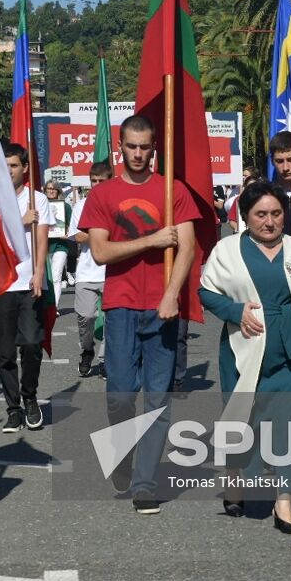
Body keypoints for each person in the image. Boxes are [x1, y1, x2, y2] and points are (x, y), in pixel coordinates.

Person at [199, 181, 291, 534]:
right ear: (246, 216)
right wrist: (234, 310)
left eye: (276, 213)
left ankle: (284, 502)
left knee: (289, 427)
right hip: (243, 350)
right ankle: (235, 481)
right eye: (261, 214)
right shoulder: (227, 250)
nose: (269, 221)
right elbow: (206, 292)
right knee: (243, 423)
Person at [79, 114, 201, 515]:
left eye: (144, 147)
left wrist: (172, 294)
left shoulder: (173, 191)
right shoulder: (104, 194)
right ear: (121, 146)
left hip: (162, 308)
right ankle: (123, 451)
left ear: (154, 149)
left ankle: (146, 483)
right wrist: (150, 239)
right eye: (130, 146)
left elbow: (186, 247)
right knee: (120, 395)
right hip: (120, 305)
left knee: (158, 397)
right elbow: (100, 251)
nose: (137, 153)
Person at [0, 143, 51, 432]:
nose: (8, 170)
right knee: (5, 352)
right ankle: (12, 408)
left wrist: (39, 273)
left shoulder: (37, 199)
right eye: (5, 165)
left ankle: (30, 397)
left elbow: (42, 240)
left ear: (24, 168)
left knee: (31, 344)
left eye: (13, 165)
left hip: (29, 282)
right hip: (1, 285)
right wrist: (18, 220)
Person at [69, 161, 113, 378]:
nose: (96, 185)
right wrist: (103, 233)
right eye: (93, 181)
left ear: (109, 181)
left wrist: (94, 233)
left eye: (101, 181)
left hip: (112, 271)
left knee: (112, 320)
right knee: (85, 317)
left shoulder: (116, 204)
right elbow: (77, 236)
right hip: (87, 271)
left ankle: (105, 359)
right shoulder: (81, 206)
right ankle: (87, 351)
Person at [267, 130, 291, 235]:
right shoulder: (265, 197)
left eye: (290, 160)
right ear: (272, 160)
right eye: (279, 161)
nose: (285, 168)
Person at [43, 180, 72, 308]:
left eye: (54, 189)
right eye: (49, 188)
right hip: (44, 244)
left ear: (58, 191)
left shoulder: (65, 207)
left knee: (56, 276)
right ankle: (46, 305)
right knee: (46, 277)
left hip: (61, 245)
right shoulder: (40, 205)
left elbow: (71, 226)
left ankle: (54, 307)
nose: (51, 191)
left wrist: (67, 233)